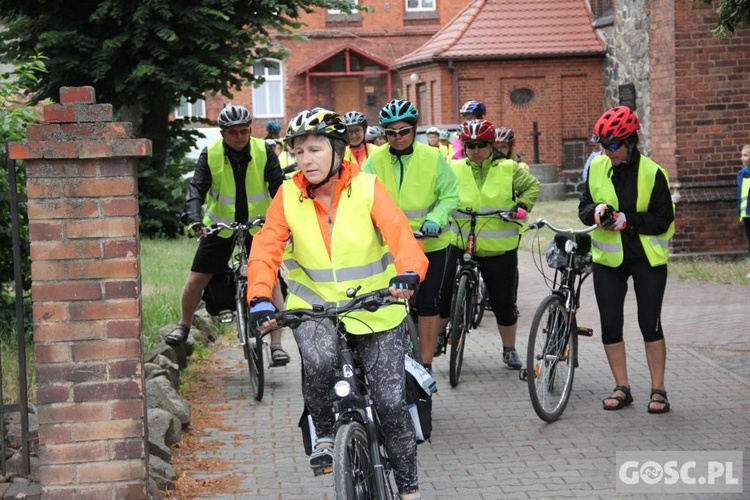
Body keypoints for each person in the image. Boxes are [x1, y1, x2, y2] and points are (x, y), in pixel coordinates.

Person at [246, 107, 428, 499]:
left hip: (377, 306)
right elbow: (264, 250)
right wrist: (260, 296)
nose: (305, 160)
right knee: (318, 361)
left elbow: (401, 237)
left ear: (336, 149)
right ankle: (326, 433)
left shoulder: (366, 187)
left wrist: (408, 272)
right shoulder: (288, 196)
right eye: (298, 152)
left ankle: (410, 490)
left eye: (314, 149)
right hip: (314, 309)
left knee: (391, 403)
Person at [167, 104, 290, 366]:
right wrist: (193, 220)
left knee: (273, 281)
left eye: (244, 131)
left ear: (250, 130)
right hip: (219, 227)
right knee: (196, 278)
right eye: (233, 132)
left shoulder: (263, 151)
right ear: (223, 133)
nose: (239, 137)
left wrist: (285, 218)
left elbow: (279, 187)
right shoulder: (210, 154)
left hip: (259, 226)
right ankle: (184, 325)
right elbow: (196, 190)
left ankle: (277, 345)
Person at [578, 106, 675, 413]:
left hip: (646, 259)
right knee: (610, 325)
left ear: (630, 141)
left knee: (650, 323)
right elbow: (583, 207)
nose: (607, 151)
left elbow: (663, 220)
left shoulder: (653, 173)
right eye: (602, 146)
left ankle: (658, 390)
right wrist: (595, 212)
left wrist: (626, 221)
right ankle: (622, 387)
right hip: (608, 261)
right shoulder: (596, 167)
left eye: (613, 145)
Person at [363, 99, 460, 374]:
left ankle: (426, 364)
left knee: (429, 303)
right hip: (392, 246)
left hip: (431, 243)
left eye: (403, 131)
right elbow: (362, 195)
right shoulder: (375, 159)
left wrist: (435, 219)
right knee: (394, 301)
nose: (397, 138)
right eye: (391, 133)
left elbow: (450, 195)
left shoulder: (432, 157)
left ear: (414, 130)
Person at [444, 119, 540, 369]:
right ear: (464, 145)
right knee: (440, 292)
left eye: (483, 144)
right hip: (460, 240)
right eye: (471, 145)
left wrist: (521, 207)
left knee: (503, 303)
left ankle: (509, 349)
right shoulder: (452, 167)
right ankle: (442, 335)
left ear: (492, 145)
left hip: (498, 248)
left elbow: (532, 187)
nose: (476, 150)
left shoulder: (509, 168)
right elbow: (439, 192)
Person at [737, 144, 750, 278]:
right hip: (746, 214)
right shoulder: (742, 174)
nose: (742, 158)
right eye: (742, 155)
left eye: (745, 155)